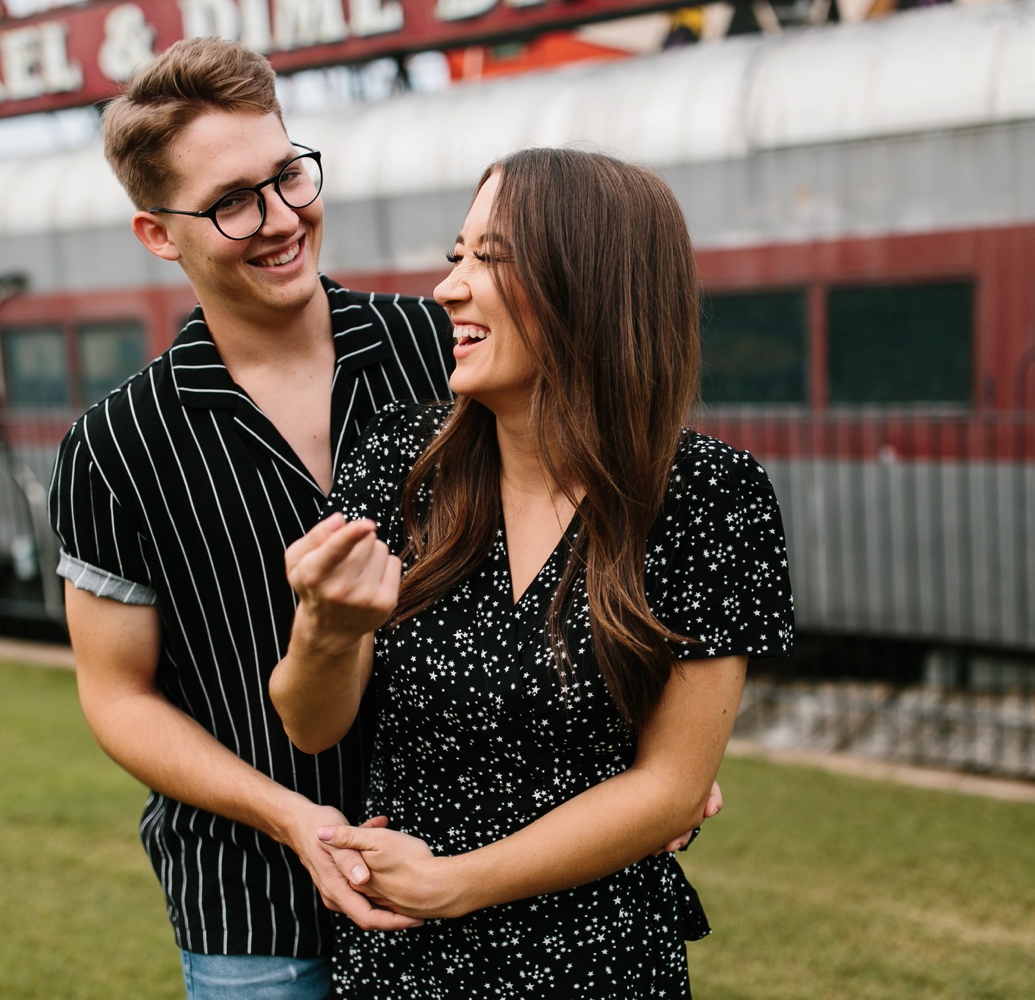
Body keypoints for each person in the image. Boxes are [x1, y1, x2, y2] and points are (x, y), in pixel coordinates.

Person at [269, 147, 794, 998]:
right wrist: (324, 632)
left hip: (601, 962)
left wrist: (456, 882)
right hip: (406, 965)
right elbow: (313, 724)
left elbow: (673, 788)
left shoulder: (710, 497)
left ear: (591, 287)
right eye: (458, 254)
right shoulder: (400, 462)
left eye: (492, 260)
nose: (449, 287)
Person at [45, 38, 457, 999]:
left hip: (471, 865)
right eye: (235, 200)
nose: (282, 219)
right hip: (256, 918)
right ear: (158, 233)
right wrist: (288, 816)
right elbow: (117, 698)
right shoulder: (114, 446)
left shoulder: (442, 351)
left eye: (288, 176)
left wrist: (640, 747)